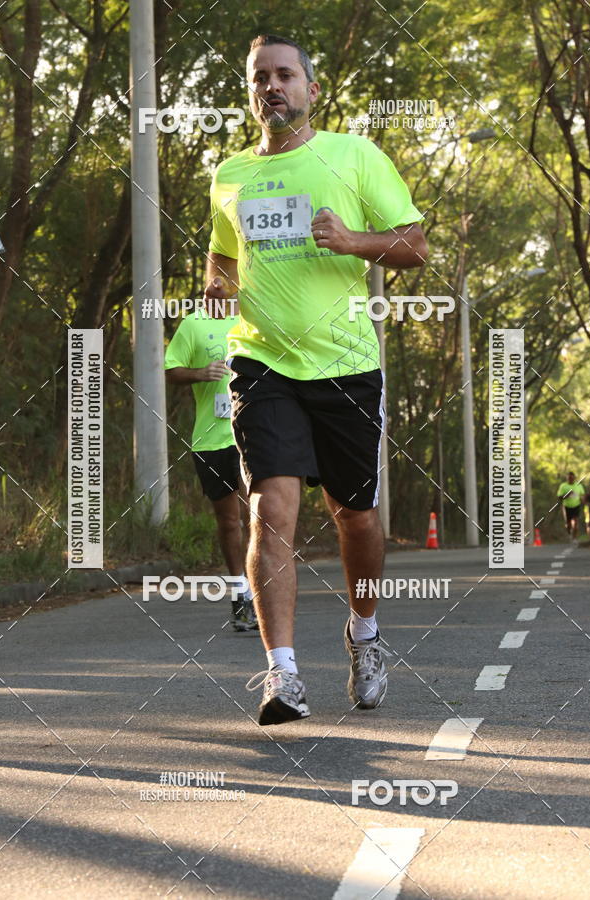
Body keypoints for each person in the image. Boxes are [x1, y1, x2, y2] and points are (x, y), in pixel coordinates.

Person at [204, 33, 428, 726]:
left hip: (346, 365)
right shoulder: (230, 174)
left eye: (285, 75)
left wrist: (353, 241)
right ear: (251, 91)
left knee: (354, 517)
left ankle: (364, 634)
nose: (272, 87)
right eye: (260, 78)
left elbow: (414, 245)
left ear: (311, 88)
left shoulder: (355, 156)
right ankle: (284, 676)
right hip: (262, 363)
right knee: (272, 508)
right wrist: (216, 281)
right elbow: (223, 257)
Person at [165, 308, 258, 632]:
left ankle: (263, 596)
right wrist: (200, 372)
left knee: (259, 518)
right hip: (209, 440)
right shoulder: (193, 323)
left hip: (251, 432)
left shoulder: (253, 314)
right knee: (229, 522)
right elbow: (171, 370)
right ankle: (239, 595)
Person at [557, 471, 585, 541]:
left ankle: (574, 538)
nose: (571, 479)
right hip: (566, 506)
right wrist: (567, 495)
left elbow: (583, 495)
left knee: (575, 522)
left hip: (576, 506)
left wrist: (582, 499)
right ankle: (569, 532)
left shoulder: (579, 485)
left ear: (574, 478)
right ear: (567, 478)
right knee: (568, 523)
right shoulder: (563, 486)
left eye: (572, 478)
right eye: (569, 478)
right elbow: (559, 497)